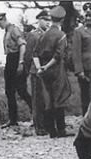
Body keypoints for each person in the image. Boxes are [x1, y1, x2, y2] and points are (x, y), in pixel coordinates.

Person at [33, 5, 73, 138]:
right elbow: (58, 56)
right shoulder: (61, 36)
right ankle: (61, 130)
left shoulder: (43, 35)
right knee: (59, 97)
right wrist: (48, 66)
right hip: (56, 70)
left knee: (48, 99)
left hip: (44, 71)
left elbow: (35, 54)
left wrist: (40, 68)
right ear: (61, 20)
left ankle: (51, 130)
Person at [0, 12, 32, 128]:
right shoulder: (7, 32)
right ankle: (13, 119)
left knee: (21, 90)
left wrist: (20, 62)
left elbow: (22, 45)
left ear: (3, 20)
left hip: (16, 59)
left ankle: (37, 114)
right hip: (9, 60)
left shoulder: (14, 29)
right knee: (9, 91)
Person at [24, 10, 51, 136]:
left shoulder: (49, 34)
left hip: (48, 71)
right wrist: (31, 70)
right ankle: (39, 126)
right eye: (45, 20)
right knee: (38, 100)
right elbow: (29, 55)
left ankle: (47, 124)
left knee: (47, 99)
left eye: (49, 20)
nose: (47, 22)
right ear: (39, 20)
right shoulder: (33, 35)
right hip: (37, 71)